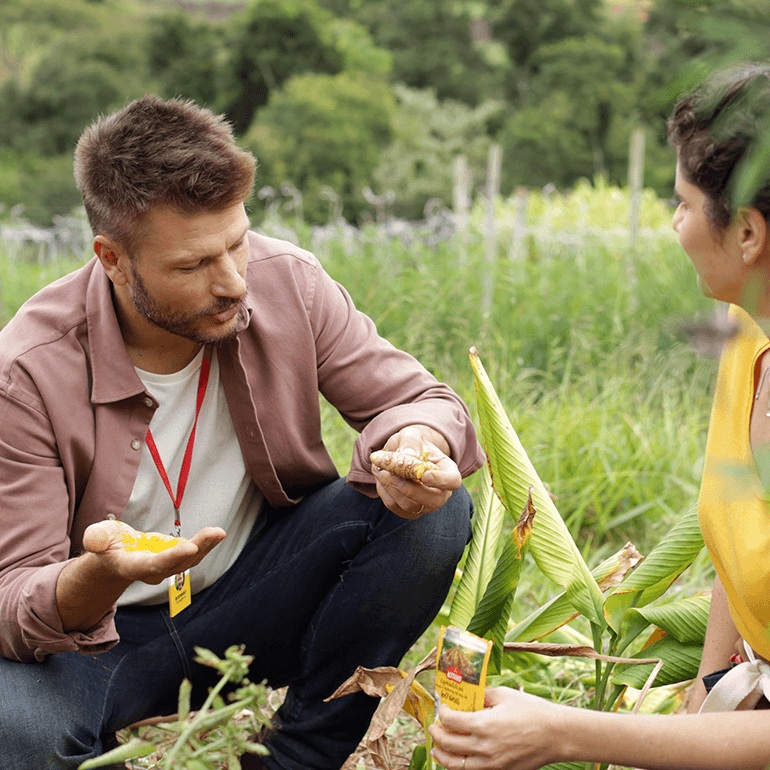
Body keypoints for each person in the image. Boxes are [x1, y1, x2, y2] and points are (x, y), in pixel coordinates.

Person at [0, 95, 485, 770]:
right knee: (16, 730)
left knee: (436, 511)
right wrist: (96, 575)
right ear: (112, 258)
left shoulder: (289, 283)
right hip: (96, 645)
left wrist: (415, 444)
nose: (232, 283)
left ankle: (296, 755)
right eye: (193, 265)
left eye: (237, 242)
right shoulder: (25, 371)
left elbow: (417, 400)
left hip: (249, 604)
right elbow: (13, 596)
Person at [429, 63, 770, 770]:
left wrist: (565, 731)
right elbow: (742, 553)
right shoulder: (752, 332)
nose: (674, 223)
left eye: (682, 203)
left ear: (747, 234)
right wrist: (708, 689)